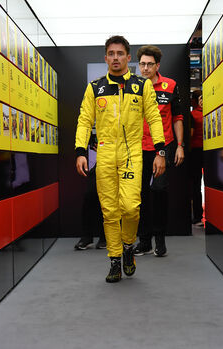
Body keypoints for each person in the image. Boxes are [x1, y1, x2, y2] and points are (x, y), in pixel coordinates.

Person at [74, 36, 166, 283]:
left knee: (131, 207)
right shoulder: (95, 88)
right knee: (110, 211)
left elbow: (154, 118)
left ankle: (128, 246)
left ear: (128, 57)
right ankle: (115, 260)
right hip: (104, 154)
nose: (115, 57)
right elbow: (84, 120)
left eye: (120, 53)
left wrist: (160, 151)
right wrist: (81, 151)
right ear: (106, 58)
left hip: (132, 153)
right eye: (111, 53)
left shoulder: (141, 85)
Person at [134, 45, 184, 257]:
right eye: (142, 64)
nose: (145, 68)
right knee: (140, 195)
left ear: (157, 66)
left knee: (159, 191)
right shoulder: (132, 86)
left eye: (149, 64)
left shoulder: (170, 85)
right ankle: (144, 241)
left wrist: (180, 146)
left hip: (163, 148)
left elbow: (177, 117)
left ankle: (160, 239)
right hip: (138, 148)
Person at [74, 131, 106, 250]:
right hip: (93, 162)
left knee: (108, 199)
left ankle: (105, 237)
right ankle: (87, 237)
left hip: (114, 160)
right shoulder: (87, 117)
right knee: (89, 195)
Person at [189, 90, 204, 226]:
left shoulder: (193, 115)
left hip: (200, 152)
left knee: (198, 185)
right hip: (199, 152)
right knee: (196, 185)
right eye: (201, 98)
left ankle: (199, 217)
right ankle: (198, 216)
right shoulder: (193, 115)